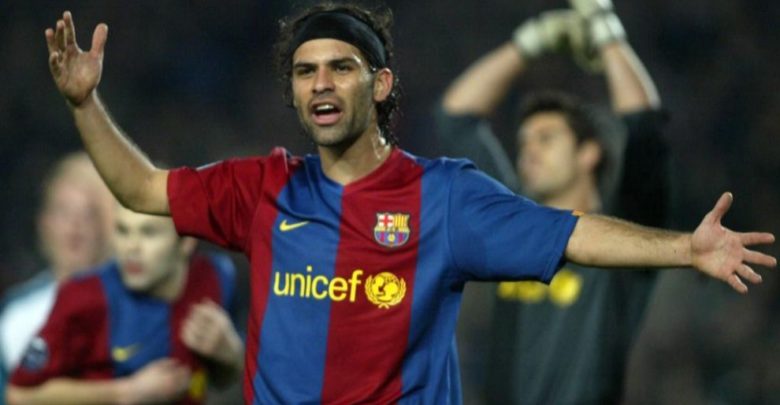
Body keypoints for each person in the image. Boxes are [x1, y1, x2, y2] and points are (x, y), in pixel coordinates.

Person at [41, 3, 775, 403]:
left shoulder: (442, 196)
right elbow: (140, 188)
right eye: (304, 71)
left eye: (340, 67)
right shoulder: (261, 187)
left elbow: (570, 232)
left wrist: (686, 248)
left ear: (381, 84)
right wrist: (84, 103)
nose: (320, 84)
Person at [436, 1, 669, 402]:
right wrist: (532, 41)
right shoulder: (512, 220)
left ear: (588, 153)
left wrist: (606, 32)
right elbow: (456, 117)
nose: (529, 150)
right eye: (524, 141)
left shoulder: (628, 230)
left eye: (546, 139)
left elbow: (645, 127)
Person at [5, 205, 243, 404]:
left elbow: (217, 379)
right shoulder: (85, 298)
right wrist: (128, 392)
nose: (131, 248)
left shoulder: (215, 278)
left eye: (149, 233)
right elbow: (19, 395)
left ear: (186, 242)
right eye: (122, 230)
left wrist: (232, 356)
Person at [0, 152, 115, 402]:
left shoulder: (133, 303)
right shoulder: (16, 312)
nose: (74, 226)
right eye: (63, 212)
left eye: (88, 214)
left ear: (107, 226)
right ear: (44, 222)